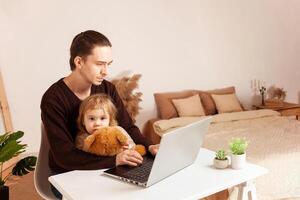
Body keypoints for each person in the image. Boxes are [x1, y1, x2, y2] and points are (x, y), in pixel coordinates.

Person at [40, 30, 159, 198]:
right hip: (69, 175)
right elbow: (64, 156)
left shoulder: (107, 88)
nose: (106, 72)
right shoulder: (53, 99)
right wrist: (115, 160)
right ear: (79, 62)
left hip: (106, 168)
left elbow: (128, 127)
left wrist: (149, 146)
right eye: (100, 64)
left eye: (108, 64)